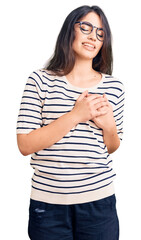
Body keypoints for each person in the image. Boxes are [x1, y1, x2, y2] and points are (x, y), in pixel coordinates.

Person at [16, 5, 125, 240]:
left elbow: (112, 146)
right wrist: (76, 115)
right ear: (70, 30)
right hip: (48, 207)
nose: (93, 36)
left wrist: (109, 126)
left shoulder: (114, 87)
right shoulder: (40, 80)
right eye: (86, 27)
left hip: (99, 204)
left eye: (100, 33)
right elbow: (25, 145)